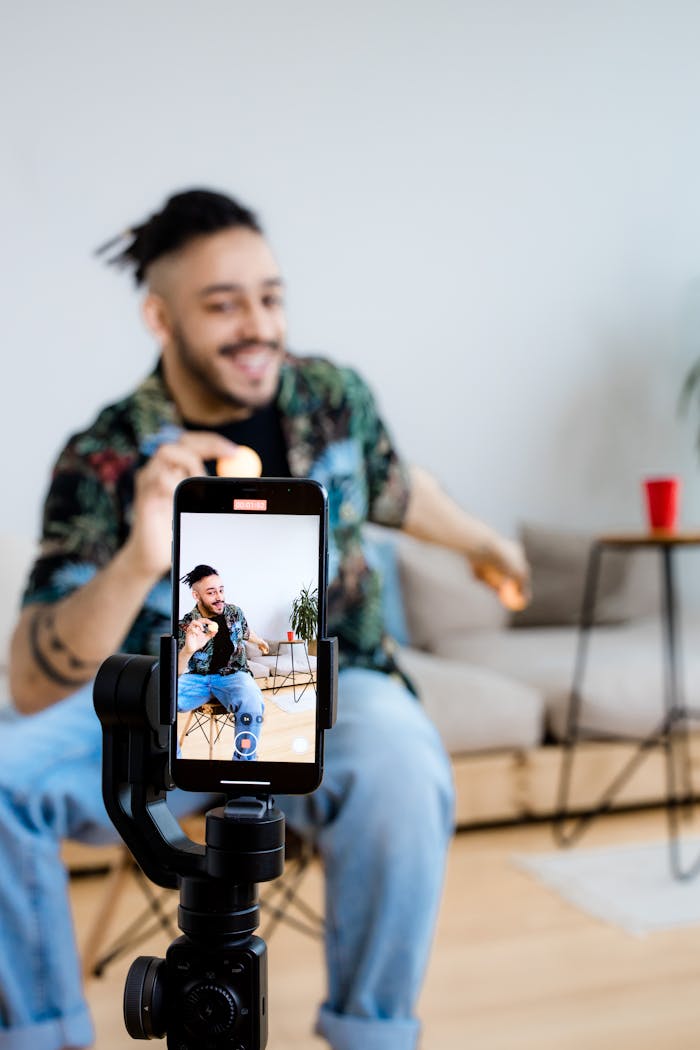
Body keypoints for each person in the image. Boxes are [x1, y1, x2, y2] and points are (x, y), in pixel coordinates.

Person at [3, 188, 529, 1050]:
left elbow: (400, 489)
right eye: (223, 305)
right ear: (160, 318)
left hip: (339, 688)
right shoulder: (105, 454)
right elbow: (30, 684)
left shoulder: (331, 396)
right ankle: (42, 1038)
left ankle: (371, 1037)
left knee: (406, 769)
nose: (258, 326)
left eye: (270, 297)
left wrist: (488, 546)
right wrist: (139, 557)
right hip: (164, 703)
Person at [177, 563, 267, 761]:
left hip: (234, 675)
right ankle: (172, 764)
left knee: (253, 703)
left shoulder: (234, 612)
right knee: (157, 701)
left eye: (221, 590)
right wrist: (188, 650)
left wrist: (260, 641)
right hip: (197, 678)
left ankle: (244, 764)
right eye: (211, 593)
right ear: (196, 595)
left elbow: (245, 631)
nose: (219, 597)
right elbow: (176, 670)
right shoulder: (186, 625)